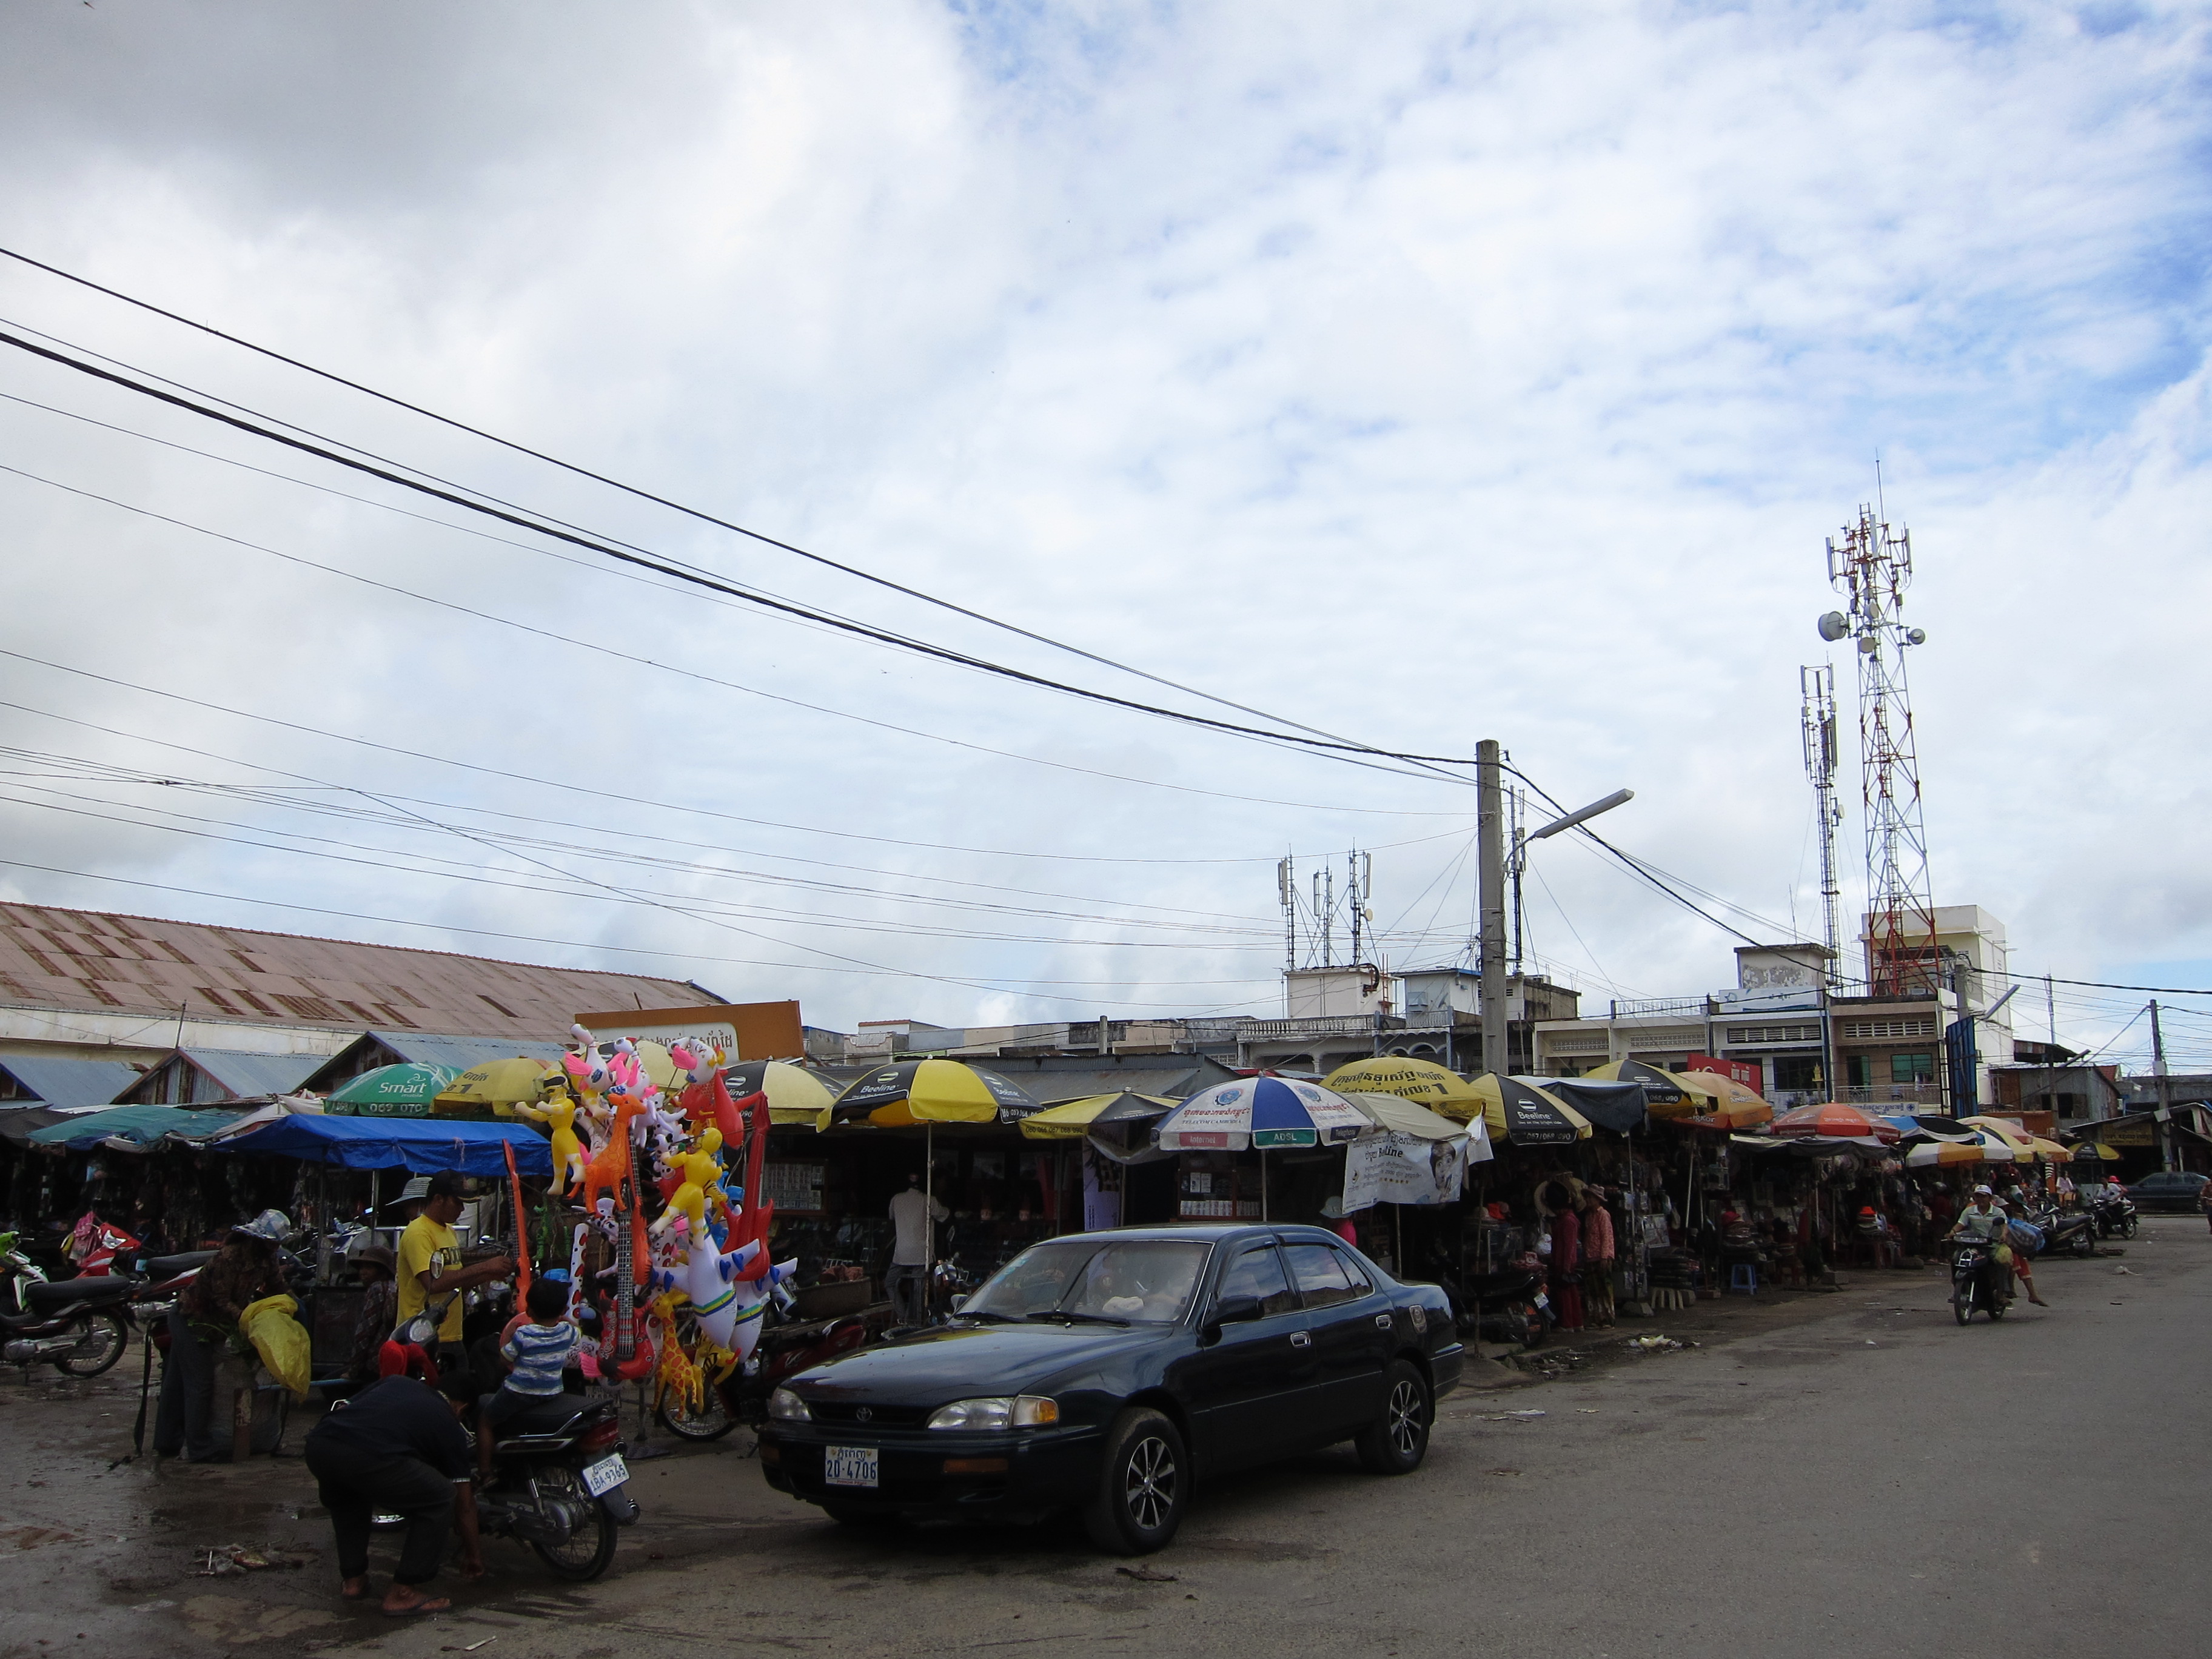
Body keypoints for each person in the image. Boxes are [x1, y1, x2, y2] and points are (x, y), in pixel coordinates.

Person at [303, 1349, 483, 1617]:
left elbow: (343, 1406)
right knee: (441, 1496)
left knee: (349, 1502)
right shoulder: (449, 1423)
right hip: (368, 1455)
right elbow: (464, 1503)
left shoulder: (396, 1382)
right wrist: (474, 1555)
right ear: (462, 1408)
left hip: (321, 1446)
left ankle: (353, 1581)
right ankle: (403, 1593)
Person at [155, 1210, 287, 1463]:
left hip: (214, 1322)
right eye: (271, 1243)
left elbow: (278, 1287)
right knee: (200, 1384)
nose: (274, 1248)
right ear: (259, 1239)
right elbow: (221, 1300)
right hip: (191, 1319)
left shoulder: (267, 1259)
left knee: (176, 1382)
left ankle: (167, 1442)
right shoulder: (229, 1257)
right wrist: (248, 1319)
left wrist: (292, 1307)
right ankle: (199, 1449)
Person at [395, 1171, 512, 1378]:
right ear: (438, 1199)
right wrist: (484, 1267)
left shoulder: (449, 1231)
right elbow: (433, 1284)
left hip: (451, 1335)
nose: (462, 1209)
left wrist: (489, 1274)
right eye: (457, 1203)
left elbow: (455, 1283)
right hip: (423, 1337)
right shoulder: (418, 1233)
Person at [477, 1277, 581, 1479]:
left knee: (485, 1422)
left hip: (519, 1393)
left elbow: (504, 1359)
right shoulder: (568, 1332)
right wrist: (563, 1318)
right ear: (563, 1309)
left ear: (530, 1310)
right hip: (551, 1392)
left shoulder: (524, 1333)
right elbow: (577, 1330)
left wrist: (509, 1336)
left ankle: (484, 1472)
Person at [886, 1173, 948, 1326]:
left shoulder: (896, 1199)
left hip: (901, 1253)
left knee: (890, 1283)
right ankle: (912, 1320)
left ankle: (902, 1316)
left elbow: (891, 1217)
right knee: (918, 1287)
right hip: (922, 1252)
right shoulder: (929, 1200)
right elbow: (944, 1215)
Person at [346, 1245, 399, 1382]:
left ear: (382, 1271)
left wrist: (353, 1370)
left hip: (375, 1363)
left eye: (369, 1268)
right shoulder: (394, 1287)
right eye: (362, 1268)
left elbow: (364, 1334)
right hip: (390, 1360)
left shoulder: (378, 1288)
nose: (363, 1273)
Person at [1546, 1184, 1583, 1333]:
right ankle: (1576, 1322)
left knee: (1565, 1294)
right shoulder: (1567, 1219)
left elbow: (1569, 1246)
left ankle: (1567, 1324)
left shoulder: (1568, 1221)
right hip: (1565, 1260)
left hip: (1565, 1262)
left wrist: (1566, 1266)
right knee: (1571, 1293)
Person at [1579, 1188, 1615, 1329]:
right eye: (1587, 1198)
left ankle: (1608, 1319)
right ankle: (1596, 1319)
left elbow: (1606, 1237)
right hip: (1590, 1257)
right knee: (1592, 1290)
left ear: (1598, 1200)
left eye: (1591, 1198)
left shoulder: (1603, 1215)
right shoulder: (1589, 1216)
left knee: (1604, 1289)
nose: (1588, 1200)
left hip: (1602, 1256)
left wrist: (1604, 1257)